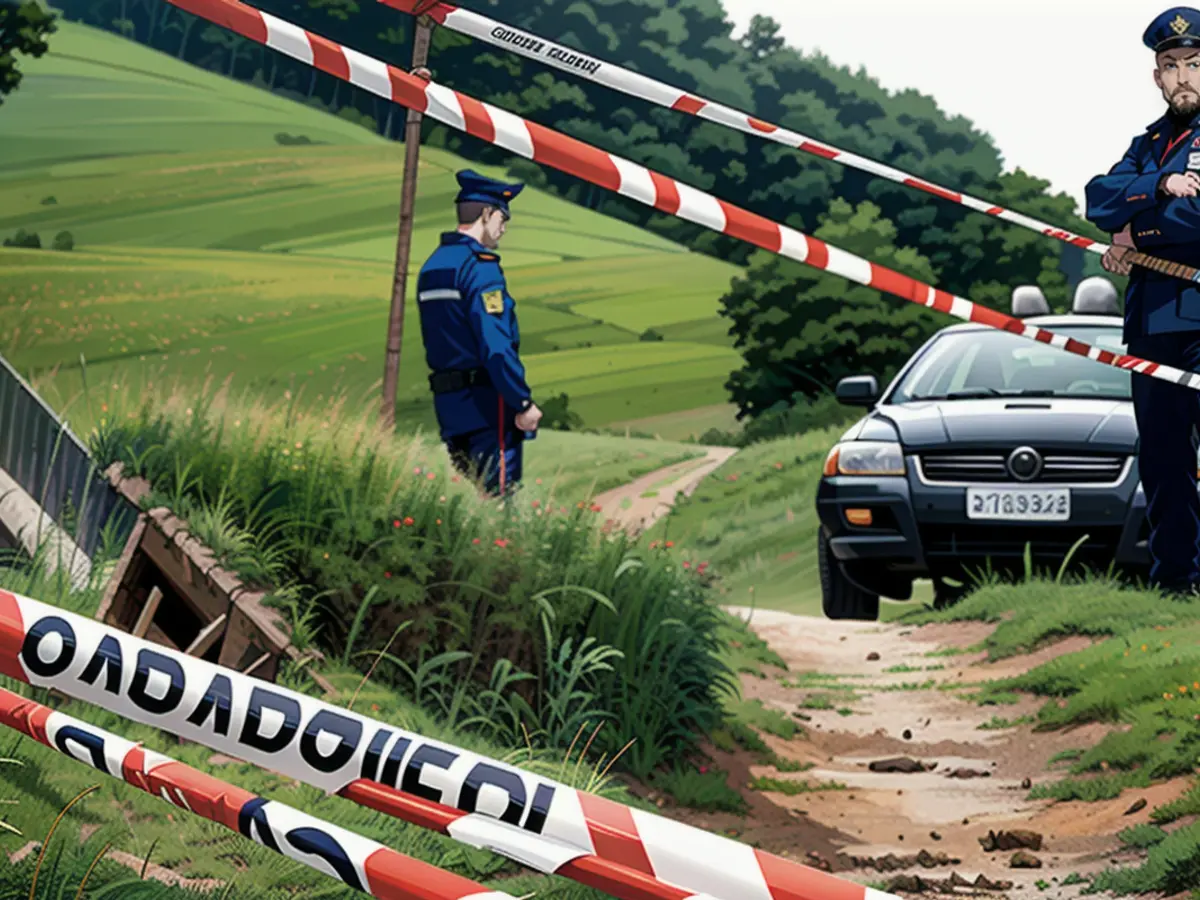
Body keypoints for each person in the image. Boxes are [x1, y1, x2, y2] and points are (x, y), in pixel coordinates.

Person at [1085, 6, 1200, 596]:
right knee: (1161, 460)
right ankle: (1175, 583)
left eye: (1195, 64)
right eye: (1171, 65)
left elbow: (1198, 215)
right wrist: (1155, 186)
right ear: (1156, 76)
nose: (1183, 77)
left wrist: (1135, 236)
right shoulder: (1150, 142)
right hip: (1152, 321)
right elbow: (1097, 198)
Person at [415, 170, 543, 496]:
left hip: (449, 406)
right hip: (488, 407)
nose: (504, 227)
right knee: (499, 503)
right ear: (485, 214)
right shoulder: (480, 268)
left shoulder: (434, 266)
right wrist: (523, 402)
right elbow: (496, 346)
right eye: (502, 217)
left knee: (471, 500)